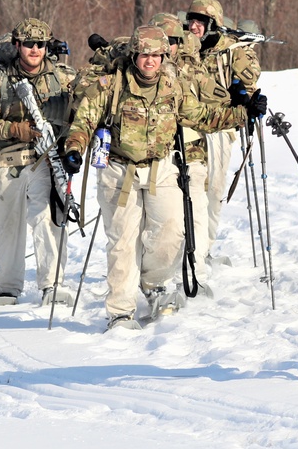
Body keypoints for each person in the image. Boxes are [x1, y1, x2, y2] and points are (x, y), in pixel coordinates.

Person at [62, 25, 267, 331]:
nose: (150, 62)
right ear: (135, 55)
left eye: (156, 55)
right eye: (144, 55)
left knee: (171, 233)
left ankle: (155, 285)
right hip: (120, 172)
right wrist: (74, 148)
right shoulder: (110, 85)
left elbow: (201, 116)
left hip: (162, 168)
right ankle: (120, 311)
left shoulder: (174, 87)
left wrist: (243, 113)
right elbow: (84, 120)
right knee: (123, 242)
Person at [0, 18, 79, 306]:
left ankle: (52, 284)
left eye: (40, 44)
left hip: (45, 160)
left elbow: (79, 115)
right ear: (17, 44)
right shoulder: (0, 79)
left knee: (48, 219)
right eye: (29, 44)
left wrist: (71, 147)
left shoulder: (62, 77)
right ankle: (8, 288)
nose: (34, 49)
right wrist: (14, 129)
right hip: (7, 159)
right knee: (7, 226)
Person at [148, 12, 227, 296]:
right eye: (161, 41)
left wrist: (241, 101)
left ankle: (197, 272)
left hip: (190, 150)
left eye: (171, 41)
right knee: (161, 223)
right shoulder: (140, 67)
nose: (166, 46)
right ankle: (155, 278)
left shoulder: (189, 67)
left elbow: (213, 98)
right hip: (154, 156)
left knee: (196, 210)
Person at [184, 0, 262, 261]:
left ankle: (204, 248)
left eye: (201, 22)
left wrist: (244, 96)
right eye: (191, 21)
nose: (194, 27)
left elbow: (251, 82)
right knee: (190, 187)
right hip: (188, 128)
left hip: (219, 129)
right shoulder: (185, 49)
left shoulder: (231, 50)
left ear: (213, 24)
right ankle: (189, 249)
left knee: (214, 191)